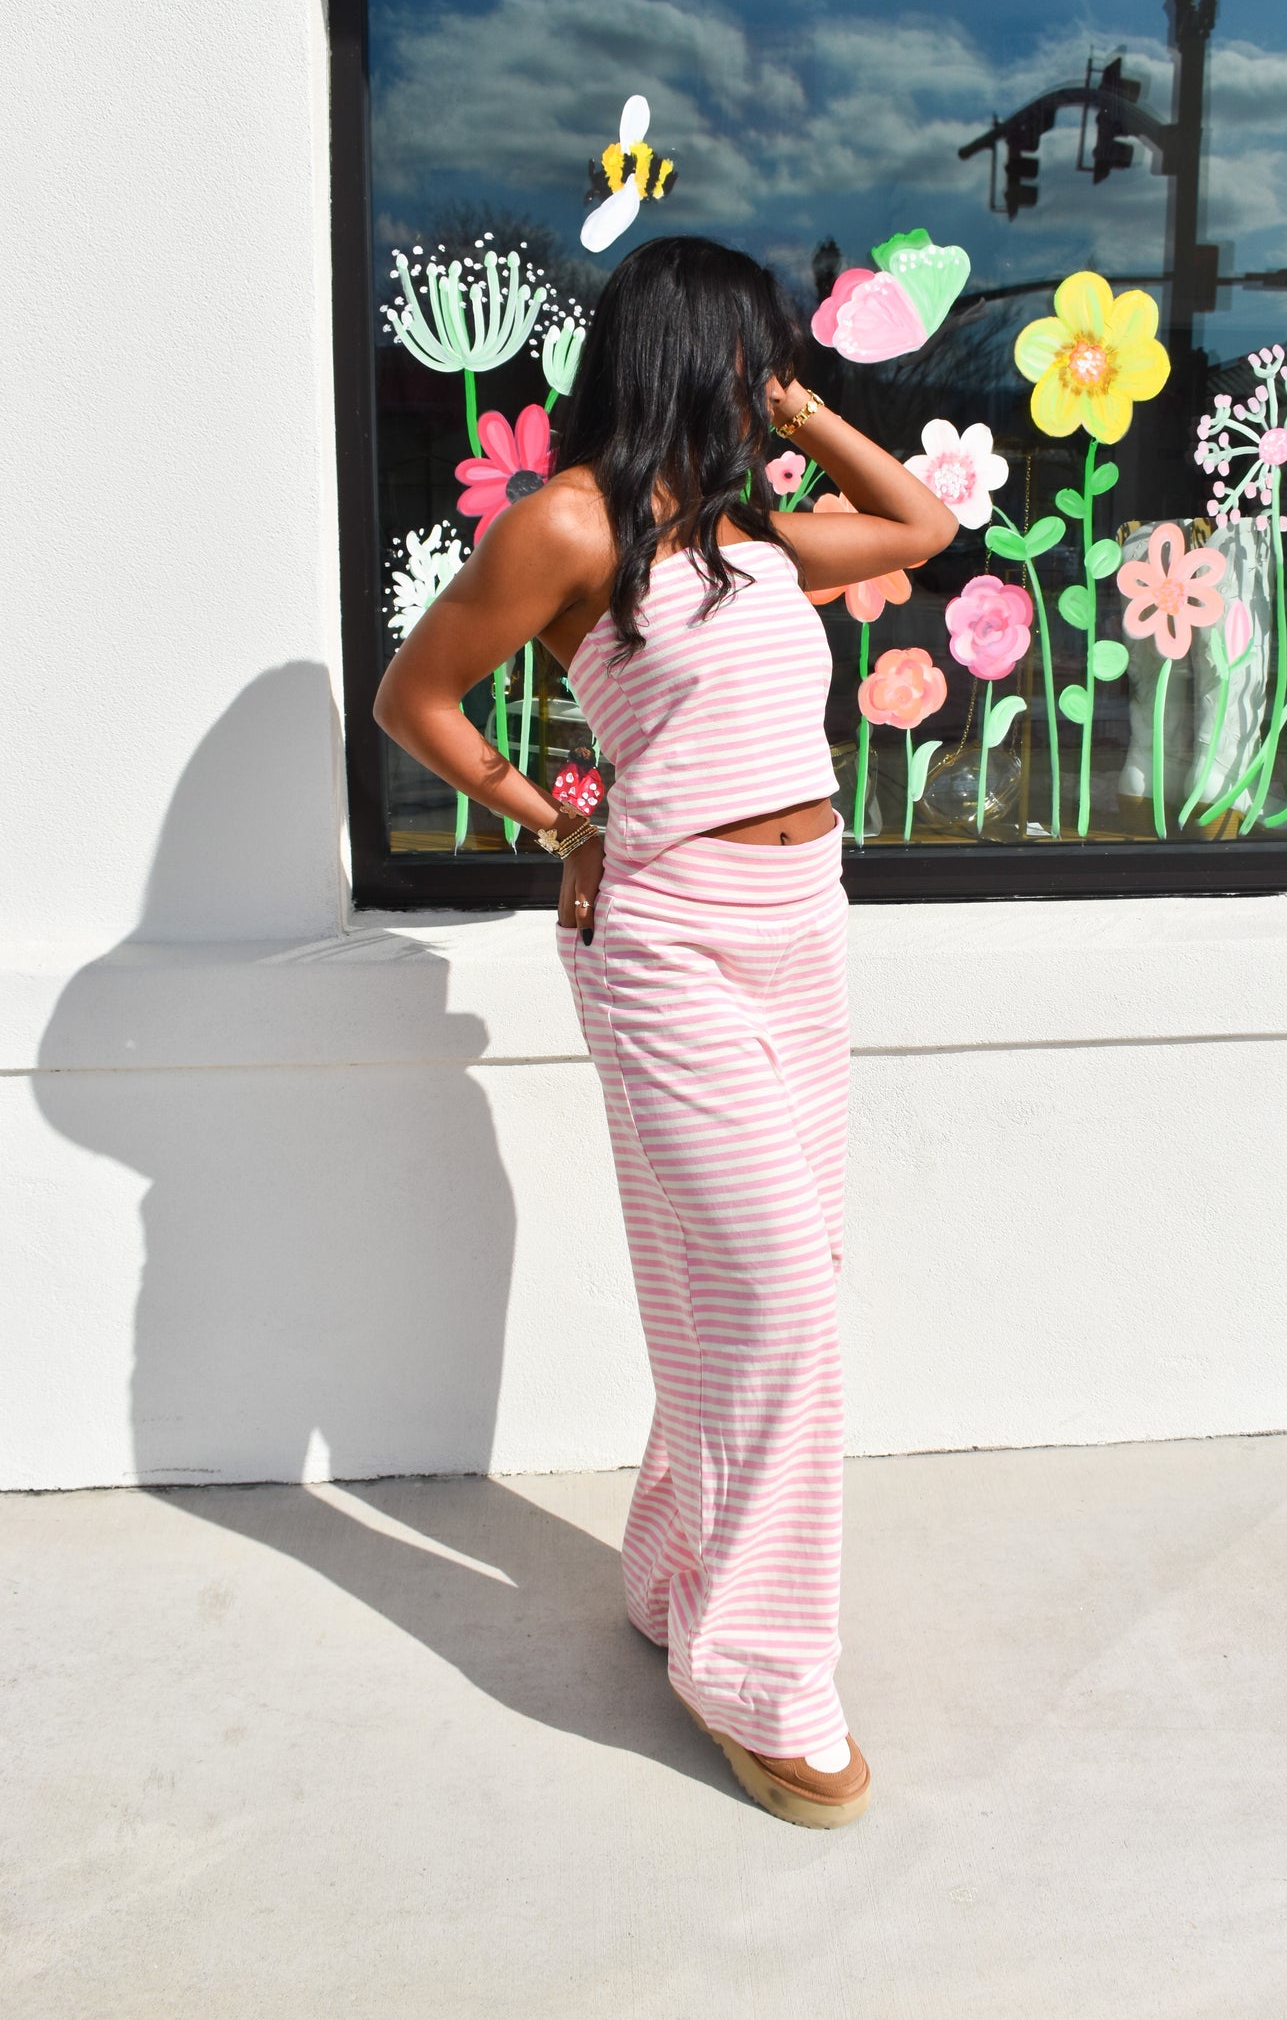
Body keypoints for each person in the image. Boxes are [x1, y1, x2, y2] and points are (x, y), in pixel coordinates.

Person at [374, 235, 958, 1828]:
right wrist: (561, 819)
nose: (773, 382)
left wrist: (807, 412)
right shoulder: (567, 520)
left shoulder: (753, 532)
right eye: (756, 354)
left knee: (772, 1279)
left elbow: (926, 522)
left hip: (803, 926)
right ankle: (757, 1673)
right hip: (670, 938)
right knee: (770, 1299)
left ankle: (673, 1571)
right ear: (692, 351)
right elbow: (416, 699)